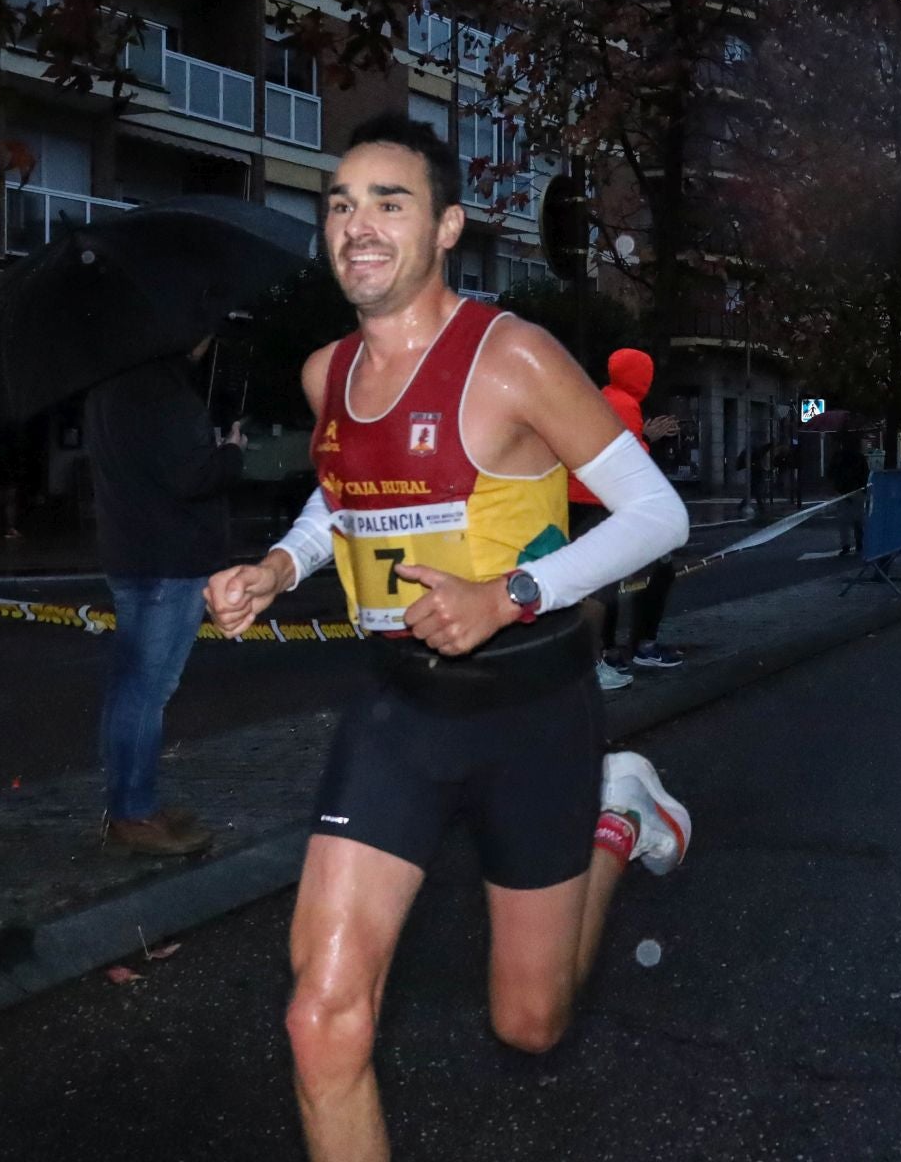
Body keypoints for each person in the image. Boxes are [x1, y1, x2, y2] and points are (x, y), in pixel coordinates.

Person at [203, 115, 691, 1162]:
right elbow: (343, 505)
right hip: (398, 709)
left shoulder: (513, 359)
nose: (358, 226)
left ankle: (619, 814)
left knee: (531, 1022)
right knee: (319, 1014)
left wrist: (510, 594)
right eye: (339, 204)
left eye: (390, 202)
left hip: (534, 708)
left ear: (446, 227)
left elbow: (659, 516)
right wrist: (280, 568)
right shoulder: (325, 374)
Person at [84, 336, 245, 856]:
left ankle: (131, 804)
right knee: (147, 692)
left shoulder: (108, 386)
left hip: (130, 553)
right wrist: (231, 454)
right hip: (170, 559)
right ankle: (134, 814)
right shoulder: (166, 394)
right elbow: (192, 476)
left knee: (130, 689)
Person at [568, 348, 682, 687]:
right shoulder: (624, 405)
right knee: (619, 583)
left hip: (584, 500)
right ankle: (608, 658)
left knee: (607, 584)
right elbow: (630, 461)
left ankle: (607, 653)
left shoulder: (605, 398)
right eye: (646, 373)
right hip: (601, 503)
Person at [831, 434, 870, 557]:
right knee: (858, 519)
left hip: (843, 492)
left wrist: (837, 487)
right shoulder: (860, 457)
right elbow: (865, 474)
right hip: (857, 490)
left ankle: (846, 545)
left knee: (844, 521)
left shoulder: (838, 457)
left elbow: (831, 472)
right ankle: (859, 542)